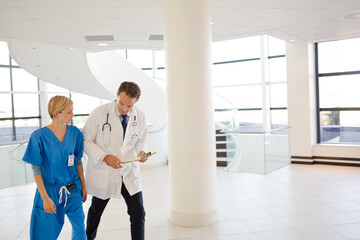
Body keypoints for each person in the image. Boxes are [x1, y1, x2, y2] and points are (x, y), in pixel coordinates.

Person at [83, 81, 148, 240]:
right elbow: (86, 140)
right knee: (95, 212)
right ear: (117, 96)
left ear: (135, 102)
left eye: (129, 106)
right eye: (122, 104)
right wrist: (105, 157)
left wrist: (142, 152)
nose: (125, 109)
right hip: (105, 171)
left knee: (138, 213)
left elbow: (141, 140)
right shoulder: (99, 113)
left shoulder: (139, 116)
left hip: (127, 172)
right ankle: (88, 238)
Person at [22, 95, 87, 240]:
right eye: (68, 112)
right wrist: (45, 198)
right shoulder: (39, 137)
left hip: (72, 188)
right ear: (56, 113)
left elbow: (78, 162)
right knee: (44, 233)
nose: (72, 115)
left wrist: (83, 185)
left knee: (80, 228)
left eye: (72, 111)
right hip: (50, 191)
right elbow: (36, 170)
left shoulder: (75, 133)